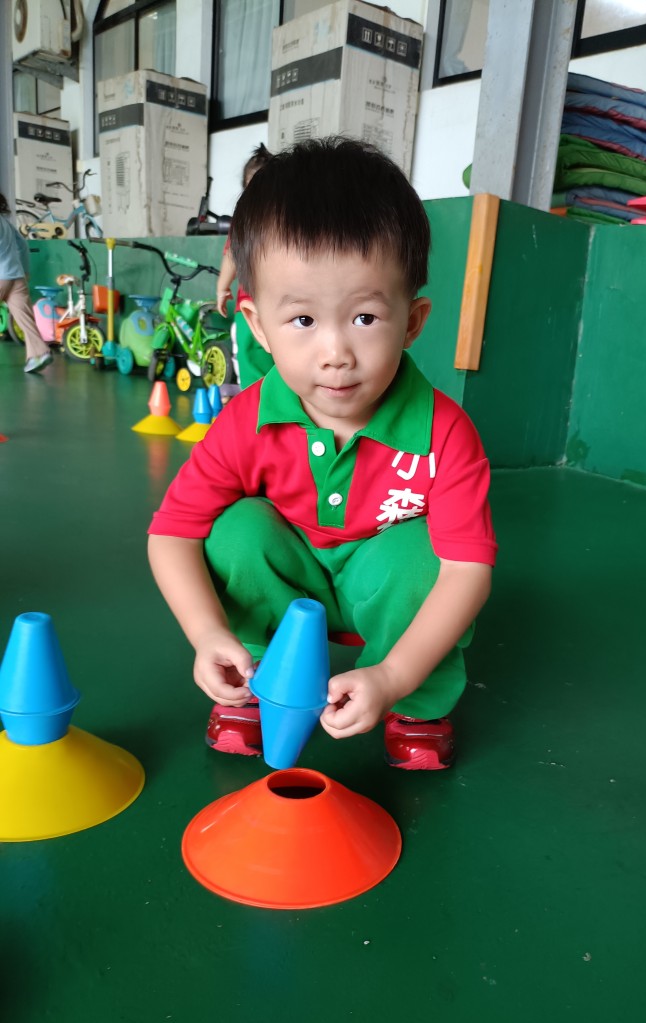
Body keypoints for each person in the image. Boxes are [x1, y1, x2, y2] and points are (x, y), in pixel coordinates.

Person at [148, 137, 496, 770]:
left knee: (425, 554)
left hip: (383, 587)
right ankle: (250, 680)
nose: (335, 354)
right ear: (258, 326)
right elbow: (171, 535)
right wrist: (206, 634)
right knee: (236, 530)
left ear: (413, 321)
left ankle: (418, 706)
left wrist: (392, 676)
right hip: (293, 574)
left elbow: (466, 572)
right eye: (303, 321)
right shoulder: (246, 419)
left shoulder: (445, 433)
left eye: (364, 318)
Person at [215, 143, 275, 389]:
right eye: (253, 187)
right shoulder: (244, 221)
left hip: (280, 305)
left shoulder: (287, 219)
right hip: (250, 306)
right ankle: (257, 404)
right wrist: (222, 287)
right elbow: (232, 255)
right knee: (251, 361)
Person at [0, 193, 52, 373]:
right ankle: (39, 353)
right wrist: (26, 271)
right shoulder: (5, 222)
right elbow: (22, 244)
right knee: (25, 318)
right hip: (16, 275)